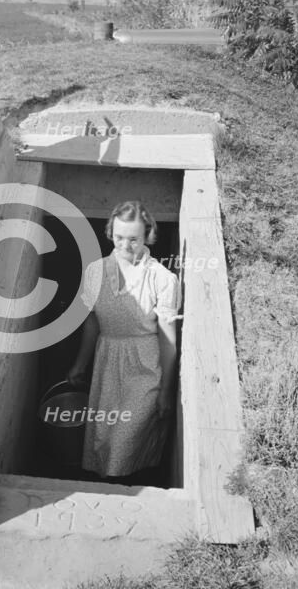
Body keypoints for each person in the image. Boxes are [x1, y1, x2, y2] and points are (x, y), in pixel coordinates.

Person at [66, 201, 181, 482]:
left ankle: (122, 490)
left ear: (148, 236)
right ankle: (110, 493)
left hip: (145, 366)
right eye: (119, 237)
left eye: (134, 239)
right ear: (110, 233)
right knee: (103, 439)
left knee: (123, 440)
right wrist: (80, 365)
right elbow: (92, 322)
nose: (125, 245)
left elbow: (167, 338)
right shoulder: (95, 271)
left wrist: (166, 390)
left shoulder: (162, 278)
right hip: (107, 361)